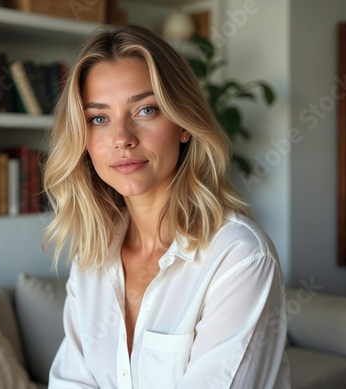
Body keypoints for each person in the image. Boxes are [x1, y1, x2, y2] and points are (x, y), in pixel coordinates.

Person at [42, 24, 290, 389]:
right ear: (84, 139)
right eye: (99, 118)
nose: (122, 138)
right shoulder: (92, 258)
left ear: (183, 123)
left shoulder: (239, 258)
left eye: (145, 110)